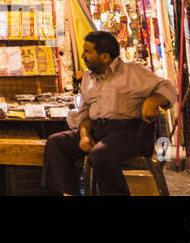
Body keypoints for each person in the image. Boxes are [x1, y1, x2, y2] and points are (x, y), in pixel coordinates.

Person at [42, 30, 177, 196]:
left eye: (87, 51)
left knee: (100, 155)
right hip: (97, 130)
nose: (83, 55)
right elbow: (84, 113)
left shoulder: (132, 72)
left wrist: (153, 100)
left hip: (128, 134)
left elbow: (168, 88)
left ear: (105, 57)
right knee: (56, 143)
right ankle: (68, 194)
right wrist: (84, 134)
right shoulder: (88, 77)